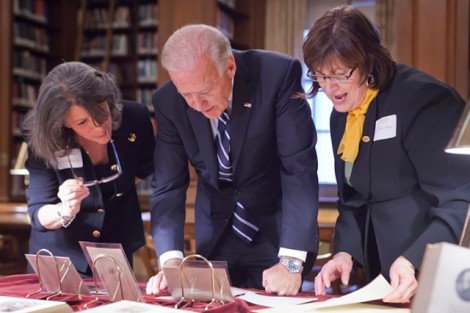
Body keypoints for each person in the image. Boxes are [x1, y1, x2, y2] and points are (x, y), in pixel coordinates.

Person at [302, 5, 470, 303]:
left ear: (368, 61)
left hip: (435, 268)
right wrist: (345, 253)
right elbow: (353, 199)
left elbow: (460, 199)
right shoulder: (342, 115)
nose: (330, 89)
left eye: (340, 75)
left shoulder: (423, 101)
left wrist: (414, 259)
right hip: (384, 275)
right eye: (320, 76)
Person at [146, 24, 319, 296]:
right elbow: (168, 185)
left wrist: (291, 262)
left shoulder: (277, 75)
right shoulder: (168, 101)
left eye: (204, 91)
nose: (197, 105)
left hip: (274, 230)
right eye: (186, 95)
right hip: (215, 233)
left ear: (229, 67)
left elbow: (298, 168)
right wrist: (171, 260)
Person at [23, 61, 155, 276]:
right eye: (82, 122)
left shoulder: (135, 118)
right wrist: (64, 210)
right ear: (64, 123)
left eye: (102, 112)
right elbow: (38, 212)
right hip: (59, 258)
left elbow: (144, 168)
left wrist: (111, 186)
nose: (99, 127)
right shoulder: (44, 139)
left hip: (114, 250)